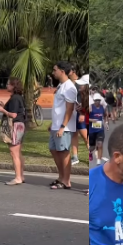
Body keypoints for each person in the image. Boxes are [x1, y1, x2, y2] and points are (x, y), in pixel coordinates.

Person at [49, 61, 77, 189]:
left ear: (62, 71)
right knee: (54, 150)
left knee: (64, 152)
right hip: (56, 125)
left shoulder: (69, 87)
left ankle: (66, 180)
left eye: (55, 70)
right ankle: (61, 177)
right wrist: (53, 123)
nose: (53, 72)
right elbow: (58, 108)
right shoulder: (61, 85)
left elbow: (69, 109)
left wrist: (62, 126)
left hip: (63, 127)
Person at [1, 77, 27, 185]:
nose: (7, 86)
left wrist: (2, 110)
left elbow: (13, 114)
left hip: (16, 125)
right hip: (20, 125)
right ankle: (21, 175)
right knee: (18, 152)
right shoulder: (18, 97)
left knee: (14, 152)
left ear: (13, 86)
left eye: (8, 84)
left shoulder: (15, 98)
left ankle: (18, 177)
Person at [89, 93, 107, 166]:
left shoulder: (102, 108)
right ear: (94, 101)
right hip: (92, 130)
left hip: (100, 129)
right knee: (92, 147)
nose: (97, 102)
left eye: (99, 100)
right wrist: (91, 120)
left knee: (100, 144)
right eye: (96, 100)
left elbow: (105, 116)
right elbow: (86, 118)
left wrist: (106, 122)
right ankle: (90, 152)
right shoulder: (90, 107)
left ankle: (98, 162)